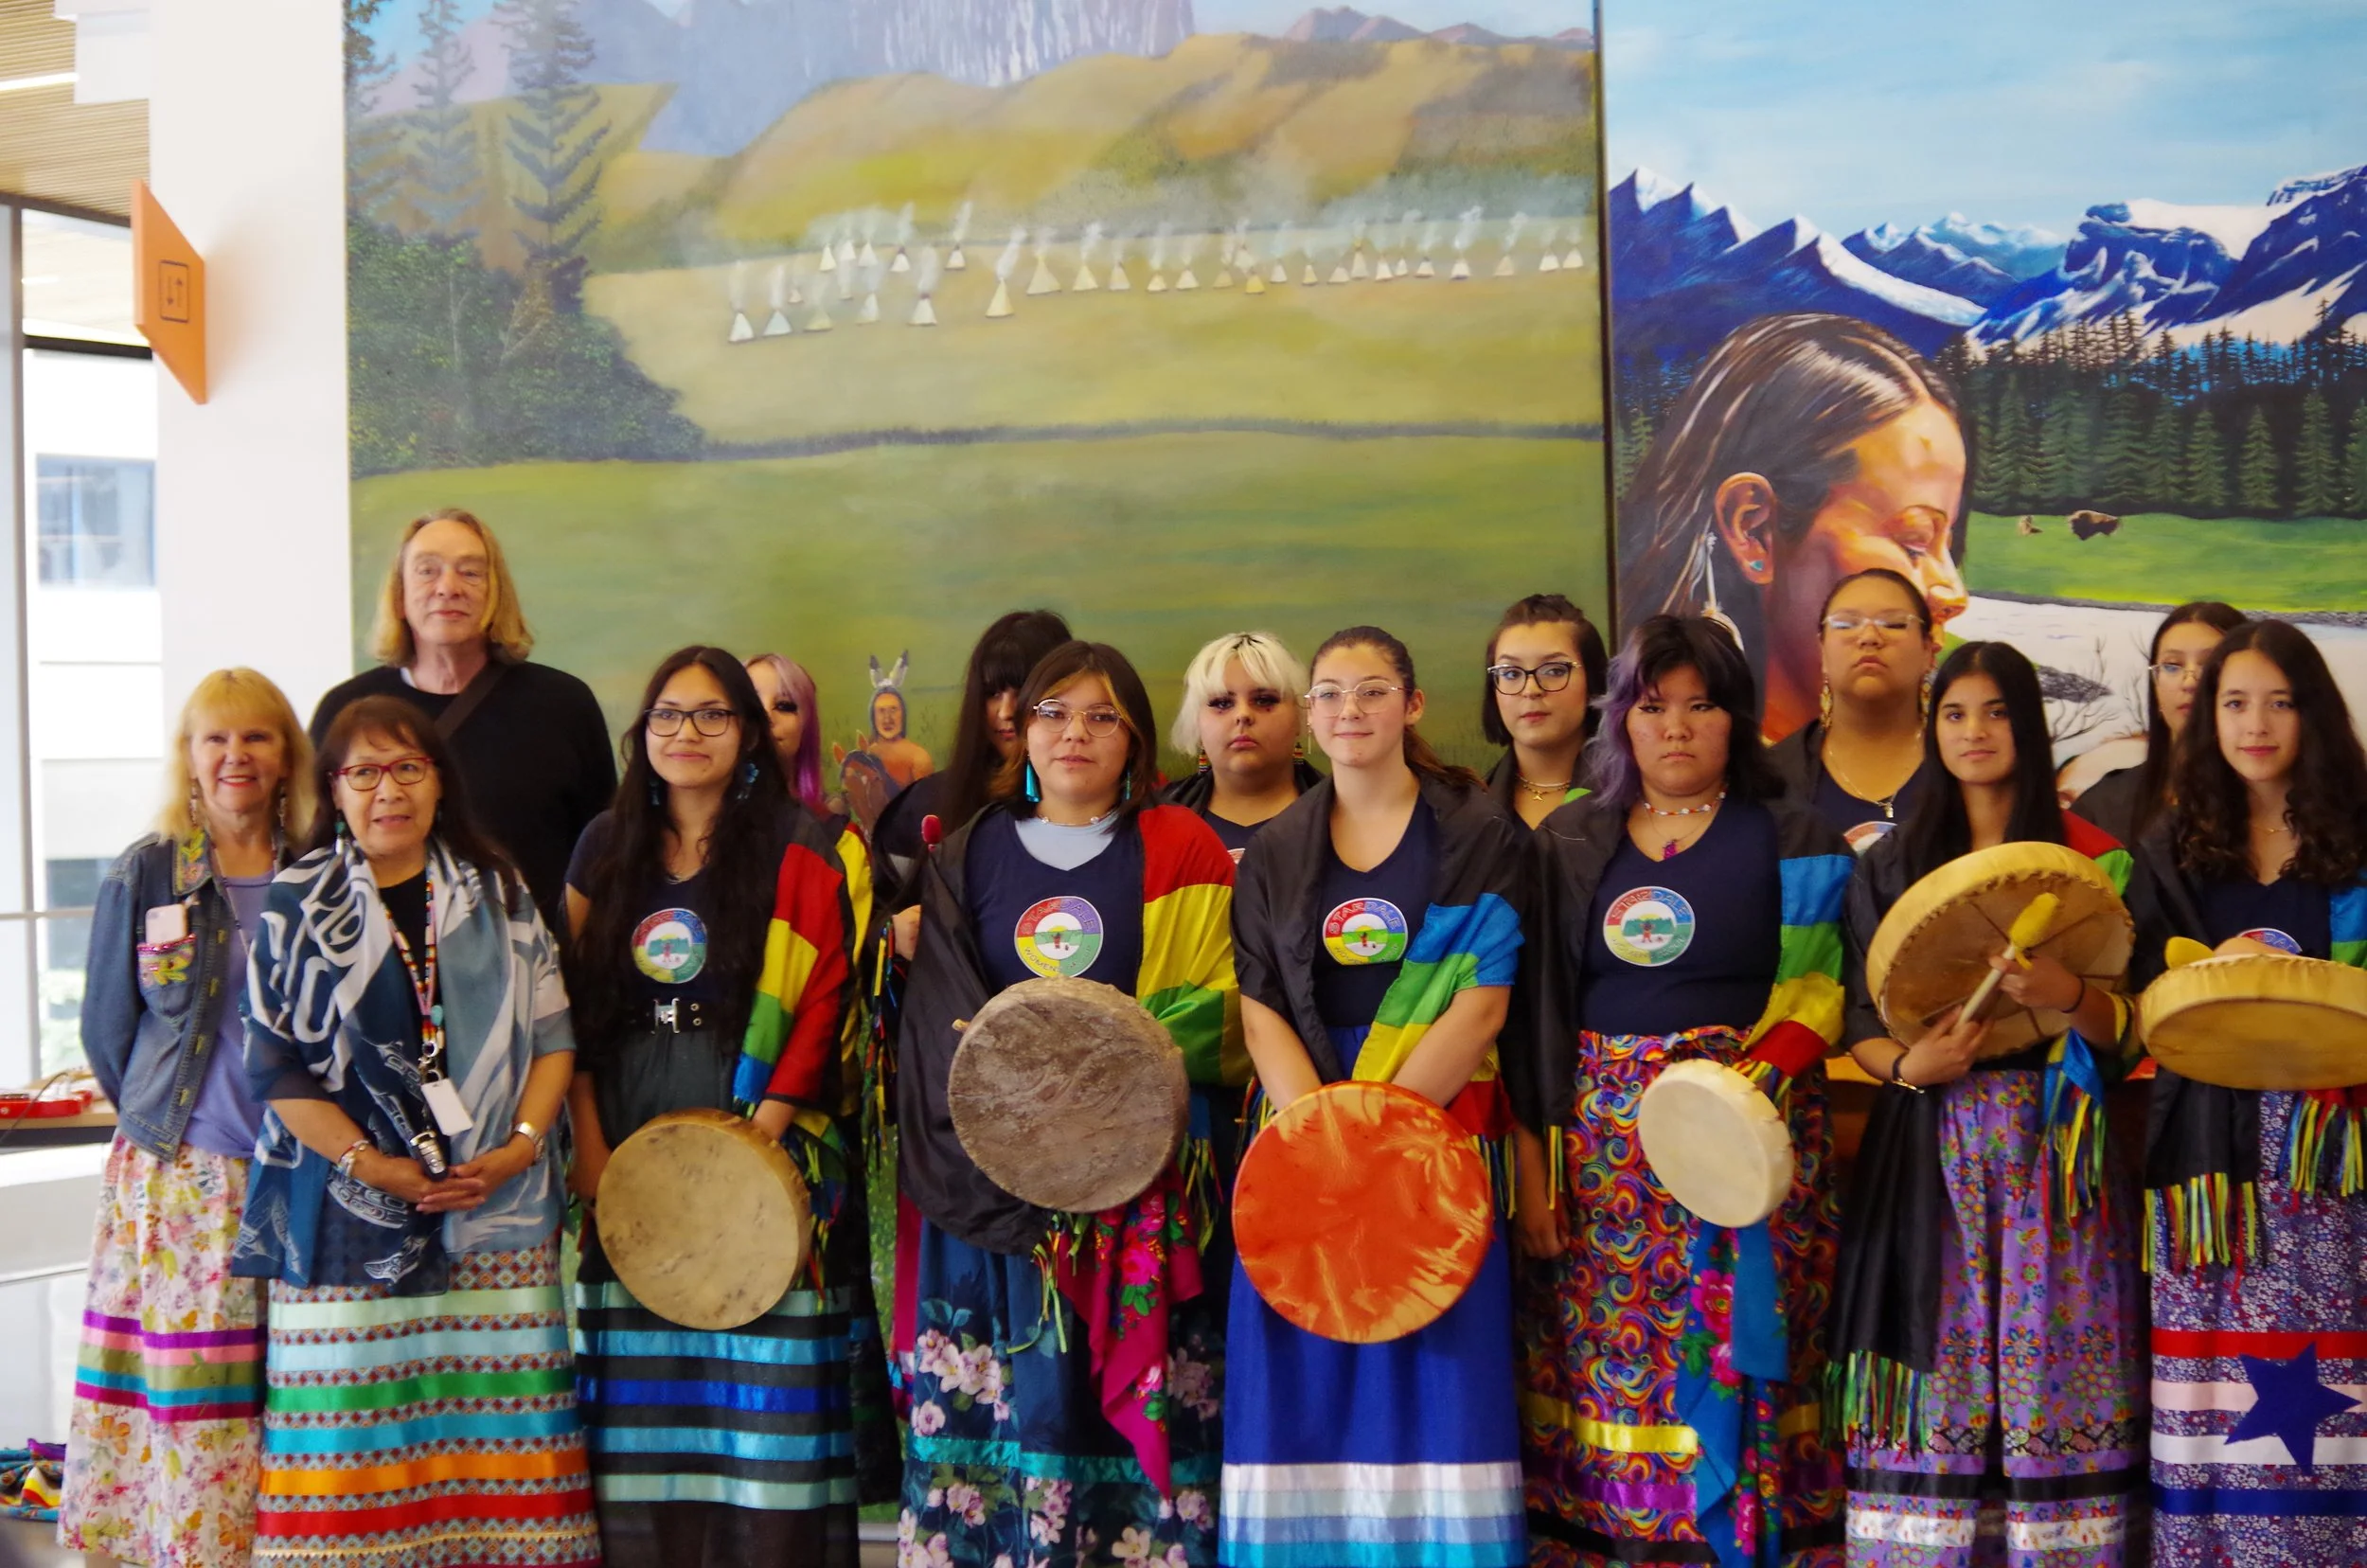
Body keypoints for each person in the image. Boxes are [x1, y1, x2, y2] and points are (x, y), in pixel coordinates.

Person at [1512, 615, 1854, 1568]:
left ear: (1734, 720)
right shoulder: (1571, 838)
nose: (1675, 727)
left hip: (1751, 1152)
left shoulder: (1794, 834)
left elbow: (1818, 989)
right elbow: (1535, 1012)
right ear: (1620, 720)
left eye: (1700, 706)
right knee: (1609, 1366)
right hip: (1605, 1169)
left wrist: (1733, 1104)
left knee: (1741, 1354)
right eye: (1653, 707)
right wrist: (1538, 1165)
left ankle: (1745, 1533)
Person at [895, 640, 1237, 1566]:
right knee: (1016, 1415)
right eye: (1053, 712)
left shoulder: (1183, 846)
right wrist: (1021, 1134)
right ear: (1021, 729)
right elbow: (940, 1023)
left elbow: (1225, 1007)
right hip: (1000, 1190)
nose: (1074, 733)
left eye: (1100, 716)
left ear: (1135, 739)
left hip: (1141, 1183)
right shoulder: (970, 855)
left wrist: (1101, 1108)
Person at [234, 695, 597, 1568]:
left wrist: (516, 1147)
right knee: (351, 1453)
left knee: (496, 1443)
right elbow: (273, 1069)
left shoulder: (499, 892)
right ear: (335, 789)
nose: (386, 790)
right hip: (343, 1214)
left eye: (407, 768)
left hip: (496, 1210)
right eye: (363, 772)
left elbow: (555, 1039)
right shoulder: (297, 900)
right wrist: (374, 1165)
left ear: (439, 782)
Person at [1222, 626, 1532, 1568]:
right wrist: (1322, 1134)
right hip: (1300, 1140)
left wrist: (1378, 1134)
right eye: (1328, 695)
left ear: (1411, 704)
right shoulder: (1276, 847)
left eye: (1369, 691)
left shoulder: (1481, 834)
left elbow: (1481, 1009)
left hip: (1432, 1135)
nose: (1347, 711)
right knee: (1306, 1381)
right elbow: (1258, 1001)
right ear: (1308, 717)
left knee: (1436, 1374)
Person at [1833, 642, 2145, 1563]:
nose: (1975, 732)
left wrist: (2062, 992)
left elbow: (2128, 1033)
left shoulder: (2091, 863)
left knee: (2054, 1365)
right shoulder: (1888, 866)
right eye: (1956, 712)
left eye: (1997, 711)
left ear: (2029, 724)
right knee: (1942, 1363)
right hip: (1929, 1147)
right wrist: (1906, 1066)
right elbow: (1858, 1017)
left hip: (2056, 1151)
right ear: (1932, 727)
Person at [562, 647, 869, 1567]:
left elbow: (822, 1004)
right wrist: (586, 1144)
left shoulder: (805, 848)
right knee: (646, 1437)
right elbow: (560, 1009)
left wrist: (749, 1158)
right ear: (640, 733)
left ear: (747, 734)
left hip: (767, 1156)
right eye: (666, 715)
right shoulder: (601, 848)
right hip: (626, 1158)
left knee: (765, 1434)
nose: (685, 734)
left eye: (710, 715)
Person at [59, 669, 314, 1568]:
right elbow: (105, 1029)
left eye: (257, 737)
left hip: (301, 1170)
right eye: (217, 739)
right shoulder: (150, 868)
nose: (236, 756)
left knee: (294, 1389)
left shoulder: (323, 866)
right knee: (194, 1387)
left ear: (288, 756)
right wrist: (166, 1125)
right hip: (186, 1174)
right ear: (191, 757)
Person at [2126, 619, 2367, 1568]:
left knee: (2329, 1386)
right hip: (2205, 1171)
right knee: (2208, 1392)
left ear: (2313, 711)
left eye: (2278, 700)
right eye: (2233, 702)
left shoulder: (2358, 834)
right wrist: (2196, 977)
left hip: (2329, 1156)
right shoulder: (2172, 845)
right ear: (2205, 718)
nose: (2254, 723)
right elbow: (2134, 994)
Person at [1616, 313, 1970, 740]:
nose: (1955, 593)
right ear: (1753, 529)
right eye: (1914, 542)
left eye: (1948, 544)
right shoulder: (1675, 778)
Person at [309, 508, 615, 922]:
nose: (448, 587)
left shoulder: (564, 705)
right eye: (427, 571)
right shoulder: (345, 712)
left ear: (495, 593)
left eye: (470, 573)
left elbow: (604, 856)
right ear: (399, 595)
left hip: (532, 968)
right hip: (383, 968)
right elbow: (319, 849)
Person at [872, 610, 1073, 910]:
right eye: (992, 693)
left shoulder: (1099, 806)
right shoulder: (924, 809)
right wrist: (894, 931)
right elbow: (875, 919)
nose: (1005, 712)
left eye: (1023, 692)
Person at [1768, 567, 1941, 852]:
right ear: (1822, 651)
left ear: (1928, 650)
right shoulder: (1773, 778)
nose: (1869, 636)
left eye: (1894, 624)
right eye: (1846, 625)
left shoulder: (1966, 766)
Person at [2072, 600, 2246, 845]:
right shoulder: (2103, 807)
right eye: (2172, 666)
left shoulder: (2279, 803)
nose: (2190, 682)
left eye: (2210, 665)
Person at [1163, 630, 1320, 859]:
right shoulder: (1150, 822)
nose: (1243, 715)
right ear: (1195, 722)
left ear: (1300, 716)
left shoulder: (1345, 816)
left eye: (1264, 700)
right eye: (1222, 703)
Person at [1480, 592, 1609, 827]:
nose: (1530, 689)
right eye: (1511, 673)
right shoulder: (1468, 812)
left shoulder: (1635, 798)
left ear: (1593, 680)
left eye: (1554, 671)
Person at [745, 651, 834, 817]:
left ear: (806, 726)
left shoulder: (837, 836)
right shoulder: (695, 824)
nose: (766, 717)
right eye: (751, 703)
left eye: (784, 706)